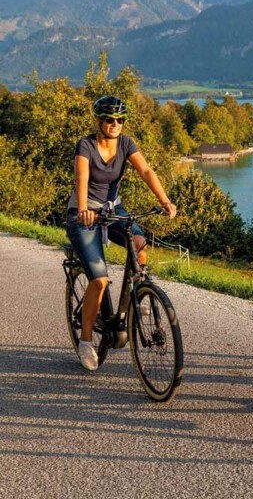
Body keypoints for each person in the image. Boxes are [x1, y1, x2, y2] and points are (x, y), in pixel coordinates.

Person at [65, 95, 177, 371]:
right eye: (109, 119)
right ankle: (86, 341)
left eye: (119, 120)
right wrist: (82, 209)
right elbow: (81, 178)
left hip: (113, 210)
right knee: (99, 279)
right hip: (85, 215)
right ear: (99, 121)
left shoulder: (126, 143)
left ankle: (138, 293)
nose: (115, 124)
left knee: (139, 242)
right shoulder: (86, 145)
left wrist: (164, 200)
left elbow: (146, 170)